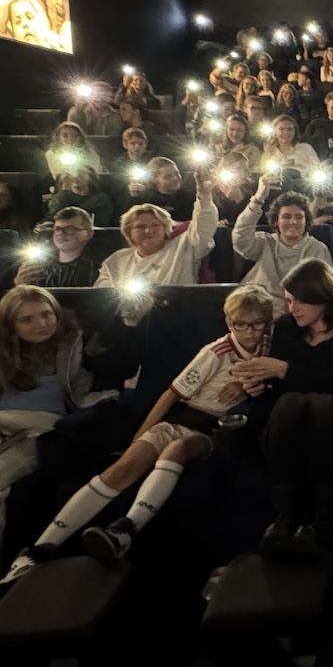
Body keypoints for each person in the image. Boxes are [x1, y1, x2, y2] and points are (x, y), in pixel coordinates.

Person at [1, 286, 276, 581]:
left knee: (177, 450)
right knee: (124, 467)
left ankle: (127, 528)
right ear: (229, 323)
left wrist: (248, 383)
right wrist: (141, 434)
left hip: (209, 428)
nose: (250, 331)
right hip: (181, 417)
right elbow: (172, 393)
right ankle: (40, 548)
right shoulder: (215, 352)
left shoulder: (270, 342)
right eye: (241, 324)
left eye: (257, 324)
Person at [231, 260, 333, 554]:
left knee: (322, 404)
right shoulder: (286, 329)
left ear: (322, 298)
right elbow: (280, 389)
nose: (293, 308)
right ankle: (285, 517)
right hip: (294, 423)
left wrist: (285, 370)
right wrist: (261, 385)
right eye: (288, 300)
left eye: (300, 301)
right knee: (291, 402)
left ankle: (323, 521)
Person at [0, 285, 128, 559]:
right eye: (27, 319)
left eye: (47, 314)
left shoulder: (73, 342)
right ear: (11, 326)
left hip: (40, 427)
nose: (41, 323)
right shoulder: (5, 352)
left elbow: (110, 368)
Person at [96, 165, 218, 289]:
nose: (148, 231)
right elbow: (102, 296)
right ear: (128, 232)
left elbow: (204, 225)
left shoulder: (184, 247)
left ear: (165, 228)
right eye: (140, 227)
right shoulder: (116, 262)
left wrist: (204, 194)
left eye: (155, 225)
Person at [233, 181, 333, 313]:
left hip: (295, 313)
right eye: (286, 217)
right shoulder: (265, 241)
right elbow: (240, 240)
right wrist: (258, 199)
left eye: (299, 217)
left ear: (306, 221)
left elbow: (323, 292)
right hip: (255, 308)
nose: (293, 222)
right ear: (276, 221)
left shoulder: (318, 249)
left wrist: (284, 313)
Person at [13, 207, 99, 287]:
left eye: (69, 229)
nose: (61, 233)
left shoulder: (97, 269)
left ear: (88, 234)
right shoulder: (39, 267)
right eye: (57, 229)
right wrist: (20, 284)